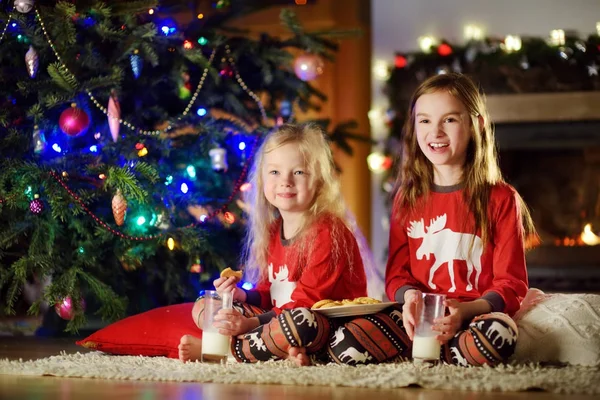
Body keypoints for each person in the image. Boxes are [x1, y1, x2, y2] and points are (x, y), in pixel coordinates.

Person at [178, 123, 370, 365]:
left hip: (323, 323)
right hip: (277, 321)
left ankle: (224, 350)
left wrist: (249, 324)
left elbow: (307, 302)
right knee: (205, 304)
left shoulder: (328, 232)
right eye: (275, 172)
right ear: (262, 179)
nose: (286, 181)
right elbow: (269, 294)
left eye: (299, 172)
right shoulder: (272, 230)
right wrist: (240, 295)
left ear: (319, 181)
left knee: (300, 321)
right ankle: (274, 350)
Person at [383, 72, 537, 366]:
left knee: (496, 337)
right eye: (425, 120)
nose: (435, 132)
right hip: (420, 315)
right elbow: (396, 274)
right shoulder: (408, 197)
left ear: (475, 124)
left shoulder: (502, 198)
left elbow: (511, 281)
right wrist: (412, 299)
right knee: (353, 338)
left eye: (450, 120)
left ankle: (454, 349)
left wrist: (465, 311)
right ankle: (447, 351)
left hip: (476, 314)